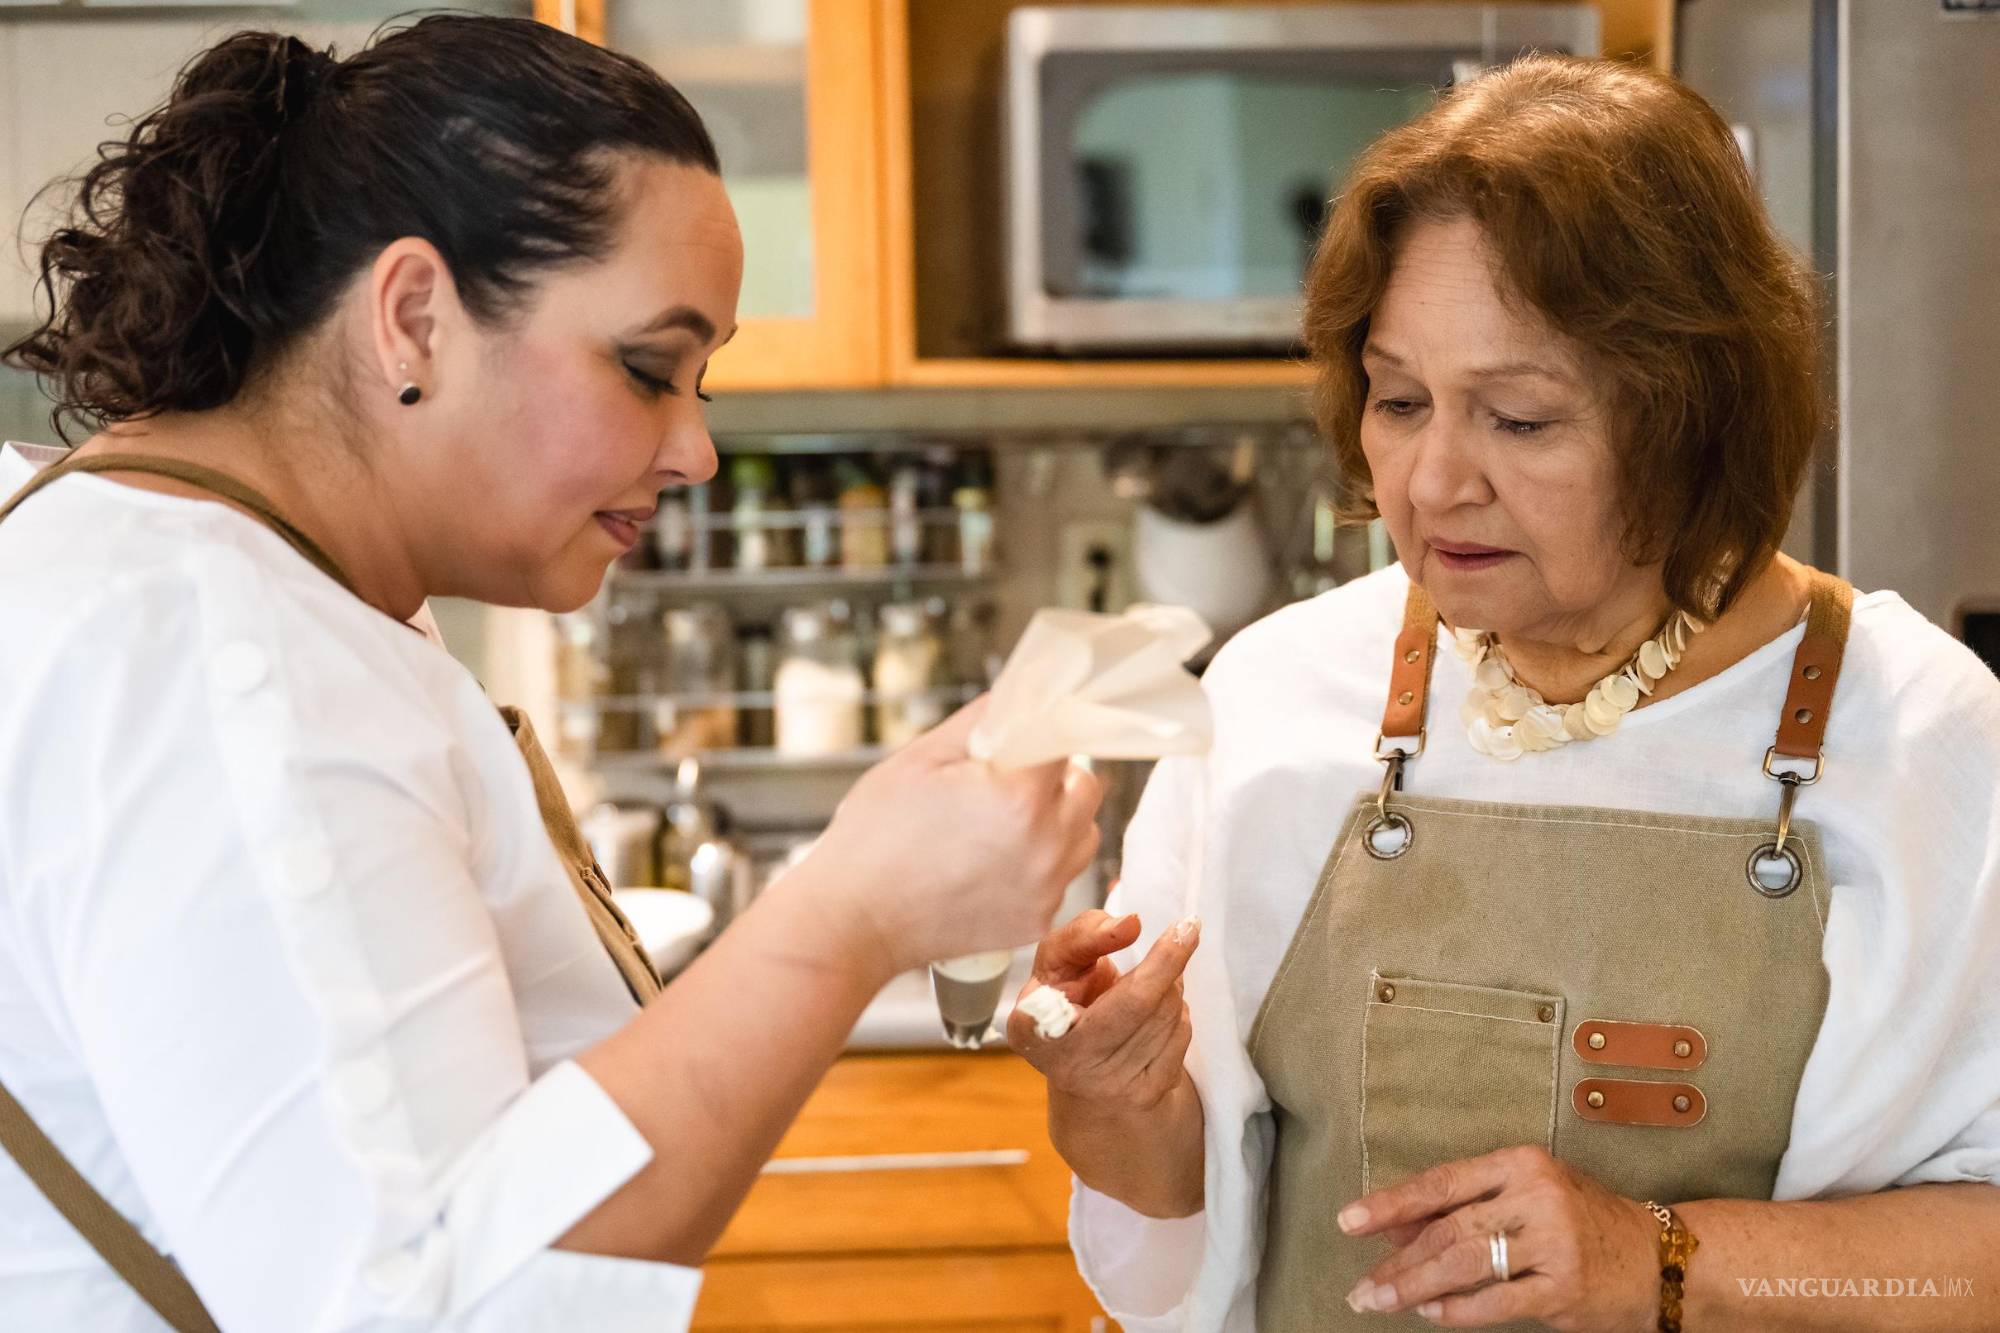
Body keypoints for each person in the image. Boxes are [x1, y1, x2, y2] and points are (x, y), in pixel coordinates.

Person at [0, 17, 1101, 1331]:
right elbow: (427, 1307)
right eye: (648, 368)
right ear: (414, 319)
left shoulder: (206, 579)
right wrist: (851, 914)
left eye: (700, 382)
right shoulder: (230, 660)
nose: (694, 449)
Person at [1012, 55, 2000, 1332]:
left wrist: (1660, 1258)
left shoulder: (1918, 733)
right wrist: (1110, 1101)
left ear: (1693, 416)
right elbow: (1178, 1212)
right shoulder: (1276, 697)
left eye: (1519, 419)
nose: (1430, 484)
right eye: (1398, 400)